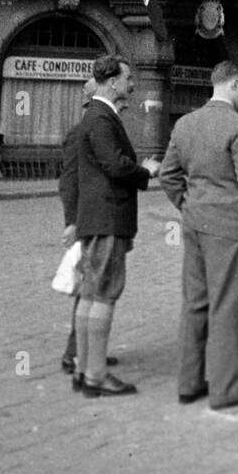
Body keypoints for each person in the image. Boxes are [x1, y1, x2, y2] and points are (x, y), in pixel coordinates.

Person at [159, 60, 238, 411]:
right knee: (230, 307)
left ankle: (189, 383)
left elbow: (167, 175)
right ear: (237, 85)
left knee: (195, 303)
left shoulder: (185, 123)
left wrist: (189, 205)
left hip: (195, 222)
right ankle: (229, 389)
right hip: (230, 225)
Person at [73, 55, 159, 397]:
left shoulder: (94, 114)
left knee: (90, 292)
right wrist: (145, 170)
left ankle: (84, 368)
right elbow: (115, 165)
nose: (132, 83)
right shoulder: (101, 116)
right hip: (109, 217)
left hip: (95, 217)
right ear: (111, 82)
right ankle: (96, 375)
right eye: (128, 78)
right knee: (104, 293)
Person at [57, 76, 118, 377]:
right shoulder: (80, 132)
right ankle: (75, 354)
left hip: (95, 218)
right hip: (88, 221)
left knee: (92, 287)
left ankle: (88, 352)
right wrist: (71, 222)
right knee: (89, 289)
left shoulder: (98, 127)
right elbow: (69, 181)